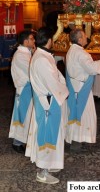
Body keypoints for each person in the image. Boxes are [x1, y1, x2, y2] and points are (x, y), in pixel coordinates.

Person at [25, 27, 69, 185]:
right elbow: (52, 82)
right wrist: (65, 91)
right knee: (47, 135)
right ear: (49, 40)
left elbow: (56, 75)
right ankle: (42, 172)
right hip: (48, 103)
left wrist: (61, 85)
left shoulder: (43, 56)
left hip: (50, 101)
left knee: (53, 134)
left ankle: (50, 165)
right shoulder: (41, 59)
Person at [65, 29, 100, 149]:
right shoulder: (81, 53)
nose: (86, 38)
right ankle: (77, 141)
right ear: (79, 39)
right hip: (81, 88)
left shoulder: (72, 50)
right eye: (84, 36)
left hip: (75, 86)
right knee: (83, 113)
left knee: (77, 112)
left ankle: (76, 139)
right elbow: (91, 68)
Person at [8, 30, 35, 153]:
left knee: (28, 115)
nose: (34, 41)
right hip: (24, 89)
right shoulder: (20, 55)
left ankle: (25, 140)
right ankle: (17, 142)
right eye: (32, 39)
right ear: (25, 41)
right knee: (21, 115)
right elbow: (32, 70)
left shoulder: (27, 53)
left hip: (29, 88)